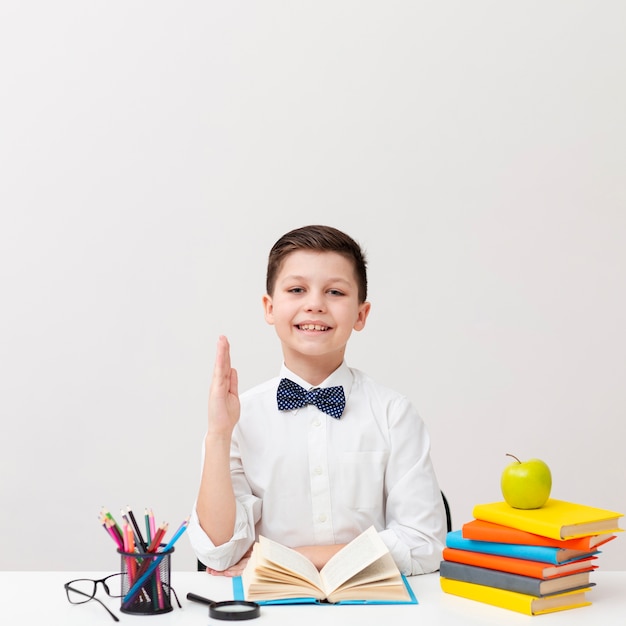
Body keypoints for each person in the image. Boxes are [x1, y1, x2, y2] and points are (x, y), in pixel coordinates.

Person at [187, 225, 447, 577]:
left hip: (371, 607)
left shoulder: (393, 413)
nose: (314, 304)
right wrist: (218, 434)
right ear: (270, 307)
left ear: (360, 314)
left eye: (335, 292)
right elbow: (219, 553)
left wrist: (293, 558)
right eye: (297, 289)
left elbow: (424, 545)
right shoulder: (239, 418)